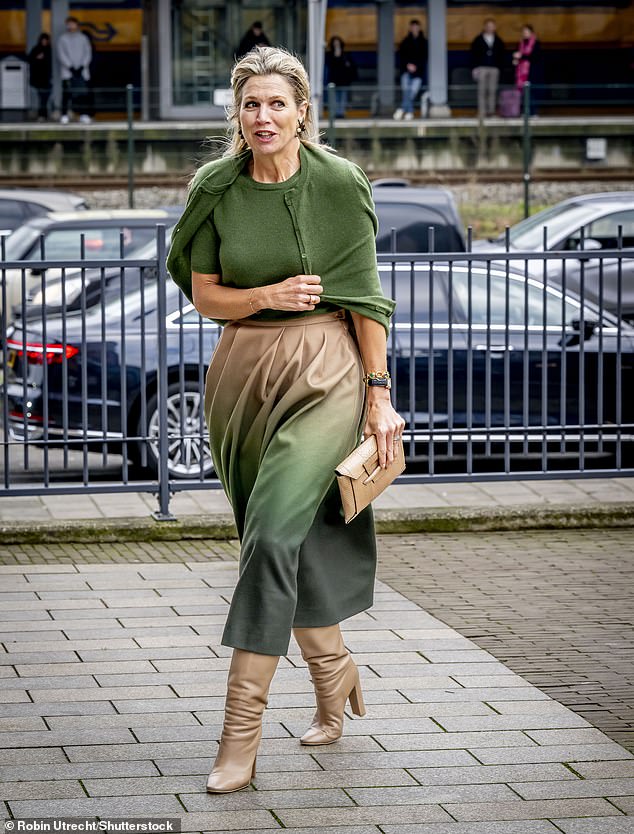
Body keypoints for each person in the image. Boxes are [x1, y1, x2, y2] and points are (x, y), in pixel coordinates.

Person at [166, 45, 404, 795]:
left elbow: (365, 300)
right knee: (277, 540)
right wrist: (265, 294)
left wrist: (377, 396)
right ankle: (334, 674)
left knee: (270, 536)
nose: (263, 117)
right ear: (236, 115)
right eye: (250, 105)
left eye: (277, 103)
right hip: (242, 375)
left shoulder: (338, 184)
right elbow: (204, 294)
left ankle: (240, 735)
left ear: (304, 110)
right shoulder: (218, 187)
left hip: (326, 369)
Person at [57, 16, 92, 124]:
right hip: (68, 72)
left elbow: (88, 53)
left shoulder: (83, 38)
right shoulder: (62, 38)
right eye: (69, 24)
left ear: (77, 25)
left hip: (82, 71)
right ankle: (64, 115)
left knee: (83, 94)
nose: (71, 26)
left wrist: (82, 66)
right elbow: (61, 54)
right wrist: (70, 66)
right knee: (67, 94)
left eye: (73, 23)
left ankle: (84, 114)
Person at [470, 18, 505, 119]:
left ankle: (491, 112)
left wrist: (499, 68)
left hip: (494, 69)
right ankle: (482, 112)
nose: (490, 28)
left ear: (495, 27)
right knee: (482, 91)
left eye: (492, 26)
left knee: (492, 90)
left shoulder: (498, 41)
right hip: (482, 68)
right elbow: (473, 55)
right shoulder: (478, 40)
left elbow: (501, 56)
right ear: (484, 27)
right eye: (488, 26)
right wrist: (474, 68)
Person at [393, 19, 428, 121]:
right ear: (410, 28)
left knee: (412, 92)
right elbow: (401, 56)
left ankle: (402, 109)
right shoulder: (405, 42)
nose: (414, 28)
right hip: (406, 71)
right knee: (406, 91)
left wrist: (416, 66)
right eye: (412, 26)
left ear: (419, 28)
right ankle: (409, 112)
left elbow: (424, 58)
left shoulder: (424, 42)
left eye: (416, 26)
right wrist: (408, 65)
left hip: (418, 73)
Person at [325, 36, 357, 118]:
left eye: (338, 44)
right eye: (335, 44)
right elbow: (331, 65)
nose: (336, 45)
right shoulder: (329, 55)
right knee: (335, 98)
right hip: (334, 80)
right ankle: (335, 113)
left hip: (344, 80)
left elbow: (350, 66)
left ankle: (341, 113)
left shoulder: (346, 55)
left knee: (343, 97)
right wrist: (336, 56)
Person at [513, 23, 541, 112]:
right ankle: (524, 112)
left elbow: (534, 57)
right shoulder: (520, 43)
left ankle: (533, 112)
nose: (525, 33)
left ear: (531, 32)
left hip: (531, 71)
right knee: (522, 92)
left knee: (532, 92)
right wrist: (515, 59)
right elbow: (517, 55)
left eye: (527, 31)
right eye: (523, 31)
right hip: (521, 72)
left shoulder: (536, 43)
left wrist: (521, 56)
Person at [27, 33, 52, 121]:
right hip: (38, 78)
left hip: (47, 78)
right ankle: (42, 115)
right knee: (41, 97)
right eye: (43, 40)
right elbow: (29, 60)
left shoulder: (50, 50)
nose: (44, 42)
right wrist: (37, 58)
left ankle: (43, 114)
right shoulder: (36, 49)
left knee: (45, 96)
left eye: (46, 40)